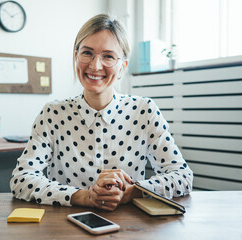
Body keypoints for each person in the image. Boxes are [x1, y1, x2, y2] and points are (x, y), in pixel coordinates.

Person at [10, 13, 193, 211]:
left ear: (123, 66)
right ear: (76, 56)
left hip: (130, 227)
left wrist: (133, 191)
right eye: (87, 53)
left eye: (108, 56)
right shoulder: (53, 113)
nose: (95, 66)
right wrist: (84, 197)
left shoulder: (144, 111)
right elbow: (22, 179)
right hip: (65, 225)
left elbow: (182, 176)